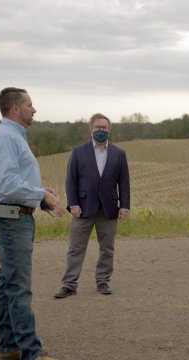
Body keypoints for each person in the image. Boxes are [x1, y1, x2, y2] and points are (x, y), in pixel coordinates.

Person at [0, 87, 63, 360]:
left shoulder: (10, 136)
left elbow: (14, 182)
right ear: (15, 108)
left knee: (9, 281)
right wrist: (42, 195)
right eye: (29, 104)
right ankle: (32, 352)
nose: (34, 109)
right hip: (10, 219)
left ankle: (10, 346)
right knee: (18, 286)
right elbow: (6, 185)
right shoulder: (5, 138)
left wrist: (40, 193)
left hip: (11, 215)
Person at [54, 113, 130, 299]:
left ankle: (103, 282)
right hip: (83, 209)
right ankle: (69, 285)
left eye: (104, 128)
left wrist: (124, 206)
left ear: (109, 130)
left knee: (107, 248)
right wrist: (73, 204)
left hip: (109, 209)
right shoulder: (79, 152)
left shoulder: (119, 154)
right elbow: (70, 181)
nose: (101, 131)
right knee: (76, 248)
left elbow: (124, 182)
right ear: (91, 130)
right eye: (98, 128)